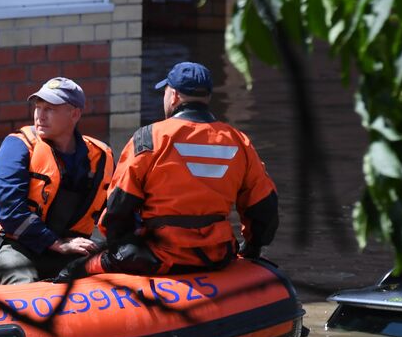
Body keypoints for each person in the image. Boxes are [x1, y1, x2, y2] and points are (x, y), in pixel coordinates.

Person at [63, 61, 278, 280]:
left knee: (72, 270)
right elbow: (264, 207)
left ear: (173, 95)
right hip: (216, 255)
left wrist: (122, 245)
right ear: (207, 97)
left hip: (156, 256)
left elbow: (118, 207)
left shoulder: (149, 138)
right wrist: (250, 248)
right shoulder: (238, 142)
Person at [0, 76, 114, 285]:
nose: (40, 116)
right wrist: (57, 244)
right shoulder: (18, 145)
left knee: (112, 271)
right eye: (37, 107)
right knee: (23, 282)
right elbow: (11, 212)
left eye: (50, 109)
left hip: (67, 244)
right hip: (10, 242)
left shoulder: (101, 157)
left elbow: (116, 209)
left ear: (74, 114)